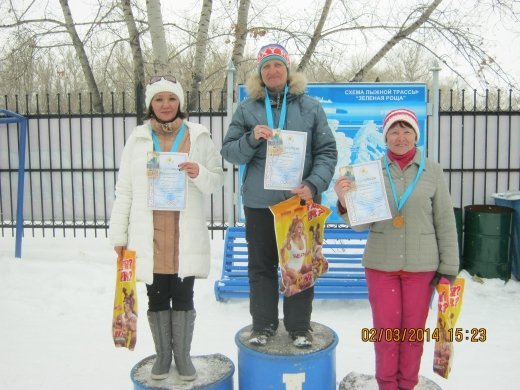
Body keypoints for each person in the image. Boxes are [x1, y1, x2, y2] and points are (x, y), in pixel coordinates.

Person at [221, 43, 338, 348]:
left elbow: (327, 152)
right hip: (259, 204)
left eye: (278, 66)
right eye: (267, 67)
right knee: (261, 267)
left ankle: (299, 328)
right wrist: (251, 138)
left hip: (299, 203)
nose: (273, 71)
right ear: (260, 74)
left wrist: (313, 185)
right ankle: (263, 326)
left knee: (299, 265)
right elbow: (229, 152)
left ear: (288, 71)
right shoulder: (247, 109)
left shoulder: (310, 107)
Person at [334, 108, 459, 390]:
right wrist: (344, 202)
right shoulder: (370, 172)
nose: (400, 137)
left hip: (421, 268)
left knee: (413, 335)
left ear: (416, 135)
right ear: (385, 136)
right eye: (394, 131)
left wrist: (449, 270)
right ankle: (387, 385)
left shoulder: (432, 171)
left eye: (406, 131)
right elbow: (360, 225)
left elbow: (445, 221)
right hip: (382, 266)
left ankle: (407, 385)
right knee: (386, 334)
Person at [109, 75, 223, 380]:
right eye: (159, 99)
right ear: (150, 105)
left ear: (180, 103)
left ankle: (183, 357)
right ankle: (162, 356)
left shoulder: (198, 136)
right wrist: (119, 235)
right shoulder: (138, 139)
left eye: (171, 98)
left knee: (184, 297)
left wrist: (198, 172)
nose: (165, 104)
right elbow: (125, 190)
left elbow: (216, 179)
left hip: (184, 234)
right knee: (157, 297)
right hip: (150, 234)